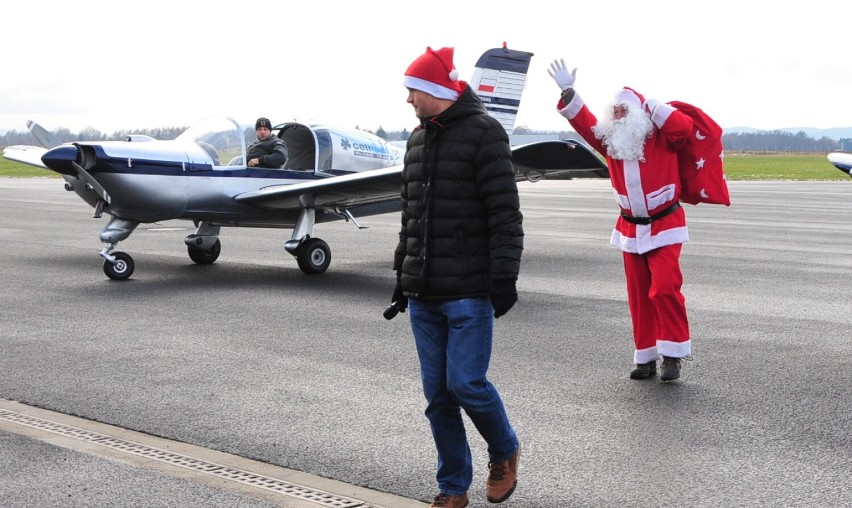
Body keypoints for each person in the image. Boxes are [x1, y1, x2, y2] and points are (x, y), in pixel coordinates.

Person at [392, 46, 522, 508]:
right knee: (437, 397)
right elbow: (412, 215)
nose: (408, 98)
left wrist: (504, 278)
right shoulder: (417, 140)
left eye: (414, 89)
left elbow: (505, 214)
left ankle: (504, 448)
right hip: (423, 292)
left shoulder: (485, 134)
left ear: (436, 91)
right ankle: (452, 487)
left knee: (466, 383)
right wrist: (400, 274)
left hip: (469, 291)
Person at [547, 58, 693, 382]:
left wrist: (654, 106)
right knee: (639, 296)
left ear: (640, 113)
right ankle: (646, 357)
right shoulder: (610, 141)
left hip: (664, 225)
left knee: (665, 288)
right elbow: (584, 122)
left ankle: (673, 355)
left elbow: (683, 129)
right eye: (615, 111)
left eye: (624, 111)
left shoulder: (661, 136)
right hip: (630, 228)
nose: (618, 116)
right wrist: (569, 92)